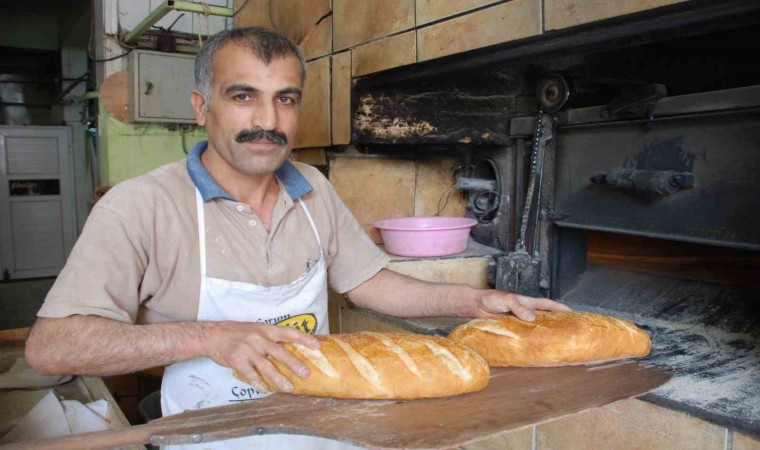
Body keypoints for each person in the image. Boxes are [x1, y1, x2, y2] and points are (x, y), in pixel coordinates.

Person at [25, 28, 570, 449]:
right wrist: (210, 337)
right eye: (243, 96)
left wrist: (476, 302)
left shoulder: (311, 186)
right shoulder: (142, 205)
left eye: (285, 99)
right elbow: (54, 346)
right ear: (201, 106)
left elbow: (371, 285)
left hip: (321, 429)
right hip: (216, 435)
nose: (267, 120)